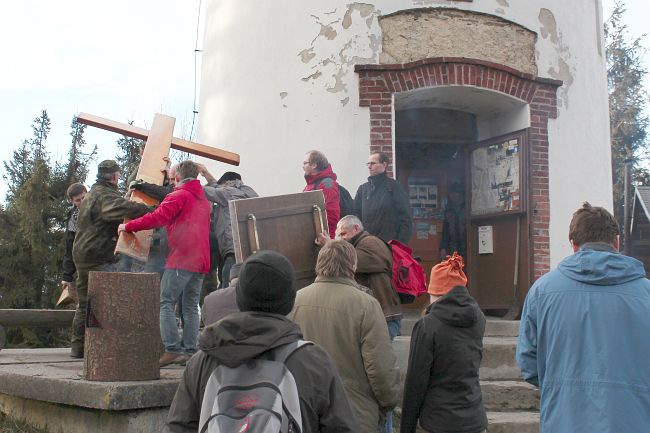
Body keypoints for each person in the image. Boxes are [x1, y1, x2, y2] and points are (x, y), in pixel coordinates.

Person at [167, 250, 359, 433]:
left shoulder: (202, 362)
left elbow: (179, 426)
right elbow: (342, 426)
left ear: (240, 297)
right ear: (289, 300)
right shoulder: (312, 361)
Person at [516, 202, 650, 433]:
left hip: (564, 420)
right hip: (635, 420)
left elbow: (529, 363)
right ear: (617, 242)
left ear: (573, 246)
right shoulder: (646, 293)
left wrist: (561, 386)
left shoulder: (542, 291)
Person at [289, 240, 400, 433]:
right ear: (353, 265)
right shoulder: (367, 305)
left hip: (304, 411)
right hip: (354, 414)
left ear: (319, 263)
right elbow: (380, 366)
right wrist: (388, 401)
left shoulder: (294, 302)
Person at [119, 161, 211, 367]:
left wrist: (128, 226)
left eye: (171, 177)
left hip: (182, 258)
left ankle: (172, 349)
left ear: (178, 177)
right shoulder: (203, 198)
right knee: (189, 306)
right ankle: (189, 351)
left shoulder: (179, 195)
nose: (170, 181)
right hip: (201, 260)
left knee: (166, 301)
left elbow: (157, 218)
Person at [70, 160, 151, 358]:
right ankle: (101, 348)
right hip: (95, 255)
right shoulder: (103, 196)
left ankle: (78, 348)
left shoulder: (93, 194)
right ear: (115, 176)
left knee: (86, 302)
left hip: (83, 253)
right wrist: (153, 210)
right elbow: (124, 208)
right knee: (104, 301)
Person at [401, 253, 487, 433]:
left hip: (439, 421)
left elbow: (416, 382)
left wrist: (406, 427)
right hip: (474, 418)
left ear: (436, 291)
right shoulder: (478, 318)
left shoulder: (427, 325)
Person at [332, 215, 402, 339]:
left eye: (343, 234)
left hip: (383, 316)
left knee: (379, 355)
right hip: (379, 313)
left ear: (356, 228)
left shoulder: (370, 242)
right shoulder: (362, 243)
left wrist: (330, 245)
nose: (341, 239)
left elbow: (351, 262)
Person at [199, 166, 258, 289]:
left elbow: (207, 191)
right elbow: (217, 188)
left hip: (233, 249)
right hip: (250, 247)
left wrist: (184, 180)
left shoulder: (228, 193)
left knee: (228, 285)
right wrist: (206, 173)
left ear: (227, 183)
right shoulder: (245, 191)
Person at [354, 151, 412, 244]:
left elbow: (406, 218)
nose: (369, 166)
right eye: (368, 164)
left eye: (373, 163)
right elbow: (355, 216)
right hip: (366, 244)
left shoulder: (394, 187)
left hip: (388, 245)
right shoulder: (363, 189)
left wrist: (399, 244)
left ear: (384, 165)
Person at [303, 150, 340, 238]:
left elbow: (331, 213)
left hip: (323, 238)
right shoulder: (310, 185)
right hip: (312, 235)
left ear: (314, 165)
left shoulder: (327, 184)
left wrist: (328, 239)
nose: (302, 166)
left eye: (305, 163)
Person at [60, 183, 87, 299]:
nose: (82, 202)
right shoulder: (73, 219)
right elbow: (70, 247)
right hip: (84, 263)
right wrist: (67, 276)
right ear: (72, 201)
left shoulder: (100, 207)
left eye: (84, 198)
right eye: (78, 200)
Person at [439, 182, 466, 259]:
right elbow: (445, 232)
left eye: (455, 193)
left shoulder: (467, 208)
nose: (452, 196)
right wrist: (443, 247)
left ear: (460, 194)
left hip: (467, 246)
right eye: (451, 194)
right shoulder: (448, 210)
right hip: (453, 248)